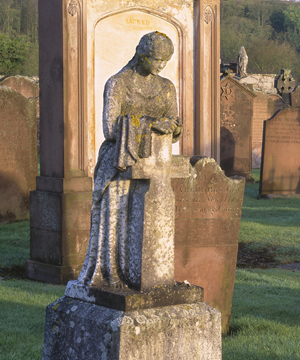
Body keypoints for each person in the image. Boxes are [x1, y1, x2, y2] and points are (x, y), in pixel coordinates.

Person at [76, 32, 182, 289]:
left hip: (158, 164)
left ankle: (150, 277)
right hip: (119, 164)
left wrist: (171, 127)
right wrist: (149, 125)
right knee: (117, 223)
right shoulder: (118, 83)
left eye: (165, 62)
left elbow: (176, 126)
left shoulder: (167, 87)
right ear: (141, 55)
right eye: (156, 60)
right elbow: (110, 129)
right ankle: (113, 274)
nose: (160, 66)